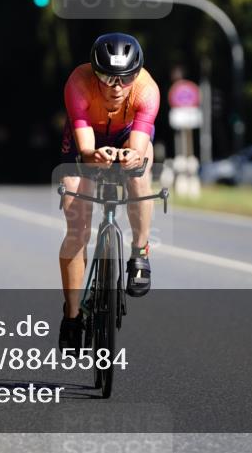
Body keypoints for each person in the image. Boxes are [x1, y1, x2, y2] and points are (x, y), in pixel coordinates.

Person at [58, 33, 160, 351]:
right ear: (93, 71)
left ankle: (140, 252)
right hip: (86, 135)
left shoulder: (147, 91)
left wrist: (131, 157)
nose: (116, 86)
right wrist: (93, 156)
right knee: (77, 223)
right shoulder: (77, 83)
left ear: (137, 73)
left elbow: (139, 148)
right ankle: (73, 316)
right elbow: (86, 147)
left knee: (138, 172)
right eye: (107, 76)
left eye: (126, 77)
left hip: (129, 133)